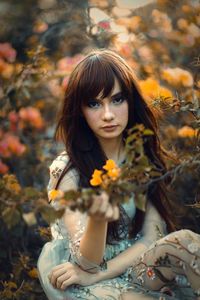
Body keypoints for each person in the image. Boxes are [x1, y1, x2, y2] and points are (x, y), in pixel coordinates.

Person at [37, 49, 200, 300]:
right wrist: (98, 220)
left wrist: (100, 273)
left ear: (130, 100)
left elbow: (151, 237)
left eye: (117, 99)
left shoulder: (140, 158)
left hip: (130, 267)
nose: (108, 115)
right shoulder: (67, 169)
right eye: (94, 103)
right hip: (82, 279)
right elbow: (86, 263)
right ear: (80, 110)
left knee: (187, 241)